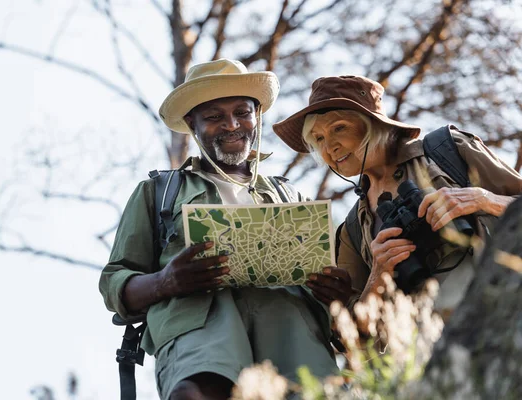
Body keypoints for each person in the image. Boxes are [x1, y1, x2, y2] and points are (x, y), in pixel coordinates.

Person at [99, 59, 340, 400]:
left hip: (291, 333)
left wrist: (336, 292)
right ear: (191, 124)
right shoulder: (159, 193)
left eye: (242, 112)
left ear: (257, 116)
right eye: (213, 117)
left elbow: (338, 285)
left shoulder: (291, 197)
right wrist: (165, 281)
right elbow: (114, 283)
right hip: (199, 329)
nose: (231, 125)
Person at [272, 75, 522, 318]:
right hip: (431, 348)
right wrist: (379, 274)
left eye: (339, 128)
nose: (329, 148)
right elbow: (353, 333)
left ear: (373, 124)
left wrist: (483, 199)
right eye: (318, 139)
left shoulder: (447, 151)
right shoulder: (353, 228)